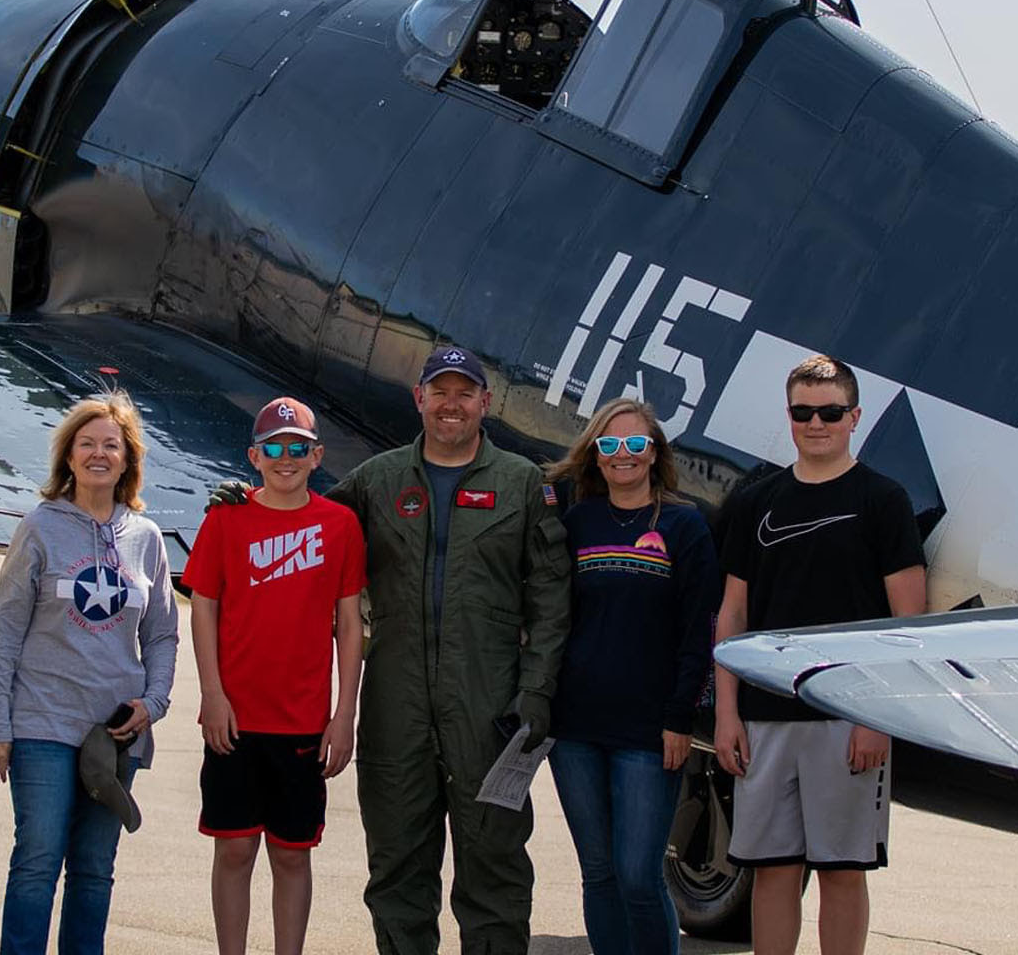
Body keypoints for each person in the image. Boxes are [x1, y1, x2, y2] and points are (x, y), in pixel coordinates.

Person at [324, 345, 573, 954]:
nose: (451, 404)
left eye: (465, 393)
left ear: (485, 404)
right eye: (440, 391)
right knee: (398, 875)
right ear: (420, 399)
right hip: (395, 714)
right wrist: (244, 509)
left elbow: (551, 602)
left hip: (489, 715)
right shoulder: (378, 481)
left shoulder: (521, 485)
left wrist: (535, 695)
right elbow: (305, 526)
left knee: (495, 876)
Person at [713, 354, 927, 955]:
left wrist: (875, 718)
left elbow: (908, 621)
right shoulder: (758, 502)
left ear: (854, 416)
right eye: (803, 411)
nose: (816, 423)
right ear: (789, 416)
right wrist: (727, 713)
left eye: (830, 412)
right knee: (772, 869)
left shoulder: (883, 500)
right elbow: (732, 615)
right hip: (764, 716)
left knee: (841, 871)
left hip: (845, 719)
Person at [0, 392, 180, 955]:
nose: (98, 454)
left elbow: (162, 633)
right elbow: (3, 631)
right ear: (68, 456)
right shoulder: (40, 527)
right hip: (43, 724)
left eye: (110, 446)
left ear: (127, 460)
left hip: (116, 732)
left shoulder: (145, 538)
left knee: (94, 870)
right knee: (37, 861)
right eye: (86, 444)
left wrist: (154, 704)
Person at [184, 396, 366, 955]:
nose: (285, 458)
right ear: (253, 456)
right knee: (234, 850)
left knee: (292, 853)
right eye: (274, 448)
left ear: (317, 456)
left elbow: (350, 624)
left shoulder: (339, 524)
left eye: (298, 448)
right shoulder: (226, 518)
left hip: (303, 722)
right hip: (235, 718)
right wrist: (212, 695)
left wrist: (343, 715)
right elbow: (204, 607)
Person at [544, 398, 721, 954]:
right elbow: (551, 614)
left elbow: (699, 633)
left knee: (640, 877)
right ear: (595, 455)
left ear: (655, 453)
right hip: (574, 730)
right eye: (611, 445)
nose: (624, 456)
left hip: (649, 734)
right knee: (598, 874)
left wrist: (680, 720)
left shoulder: (684, 525)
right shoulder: (578, 523)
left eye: (636, 445)